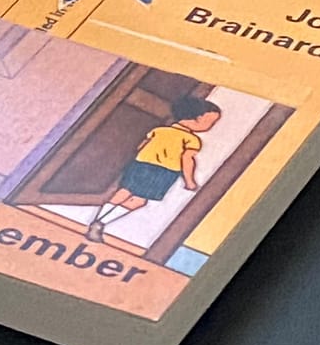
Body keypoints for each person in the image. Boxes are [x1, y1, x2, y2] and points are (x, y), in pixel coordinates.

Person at [86, 94, 221, 243]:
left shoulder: (159, 130)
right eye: (210, 122)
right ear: (196, 118)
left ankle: (98, 220)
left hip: (140, 164)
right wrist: (190, 181)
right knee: (139, 200)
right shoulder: (192, 140)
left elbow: (142, 146)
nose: (211, 126)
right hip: (163, 172)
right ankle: (101, 223)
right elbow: (186, 160)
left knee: (123, 192)